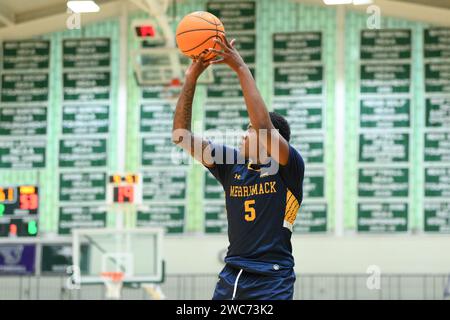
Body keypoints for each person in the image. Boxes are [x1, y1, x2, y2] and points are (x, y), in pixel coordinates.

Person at [172, 35, 305, 300]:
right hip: (232, 274)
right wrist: (191, 78)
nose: (245, 135)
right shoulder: (231, 164)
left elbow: (264, 125)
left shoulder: (288, 166)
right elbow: (180, 135)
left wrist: (241, 68)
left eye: (250, 130)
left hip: (272, 277)